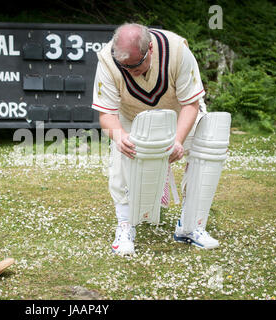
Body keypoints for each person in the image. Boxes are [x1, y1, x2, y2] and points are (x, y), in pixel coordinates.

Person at [91, 23, 230, 255]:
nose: (128, 71)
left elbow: (191, 103)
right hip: (130, 114)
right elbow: (106, 114)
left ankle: (190, 224)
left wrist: (177, 140)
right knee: (120, 154)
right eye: (123, 66)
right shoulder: (107, 59)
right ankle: (125, 225)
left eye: (134, 65)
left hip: (179, 110)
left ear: (151, 50)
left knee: (210, 142)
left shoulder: (177, 51)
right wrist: (120, 136)